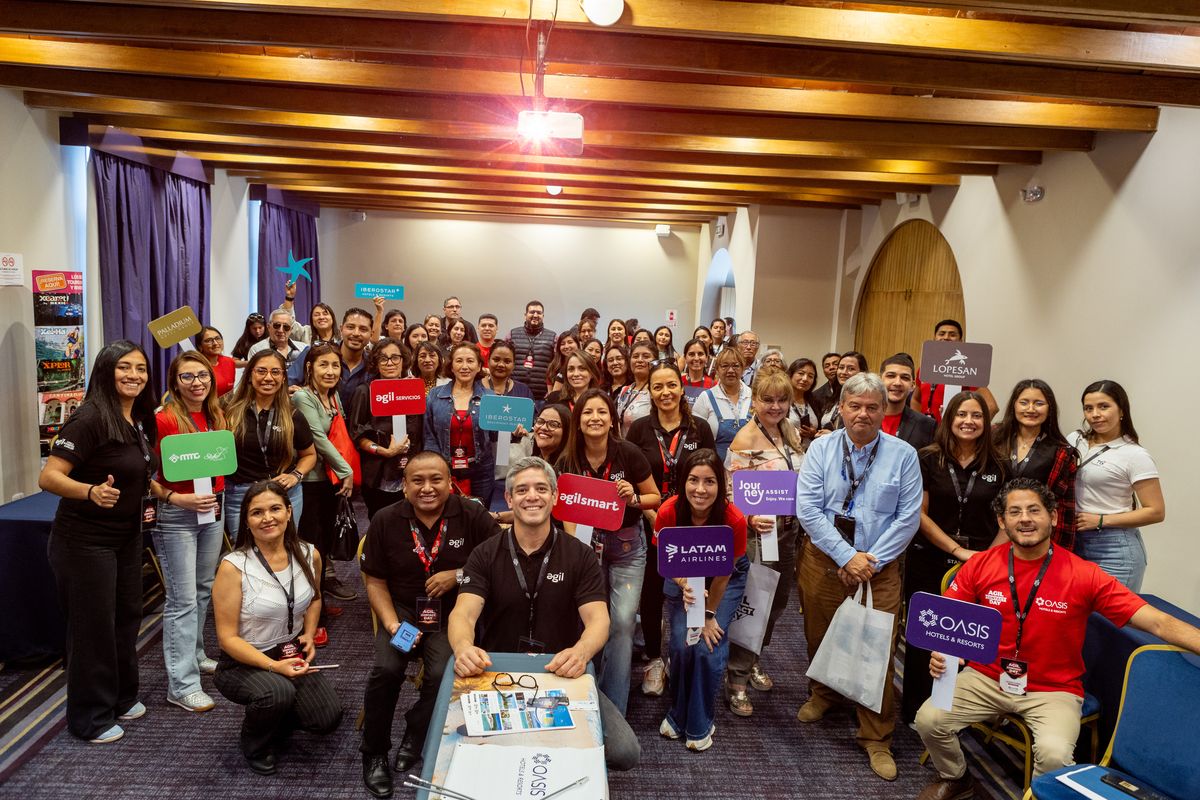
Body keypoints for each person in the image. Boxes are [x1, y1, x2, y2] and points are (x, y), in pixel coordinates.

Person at [913, 479, 1200, 800]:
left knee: (1054, 756)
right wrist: (943, 651)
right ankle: (956, 777)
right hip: (986, 676)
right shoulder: (981, 564)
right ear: (1002, 522)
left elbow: (1157, 622)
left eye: (1034, 510)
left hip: (1054, 688)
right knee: (928, 720)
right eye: (1015, 512)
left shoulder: (1083, 574)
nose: (1025, 519)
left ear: (1053, 517)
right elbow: (949, 618)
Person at [447, 456, 641, 771]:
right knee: (457, 749)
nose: (532, 496)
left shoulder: (580, 555)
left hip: (562, 672)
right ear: (509, 499)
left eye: (541, 488)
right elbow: (463, 614)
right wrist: (463, 647)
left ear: (555, 496)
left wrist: (581, 651)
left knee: (625, 751)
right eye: (521, 490)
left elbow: (598, 619)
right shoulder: (485, 553)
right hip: (499, 672)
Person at [795, 372, 922, 781]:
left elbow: (907, 518)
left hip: (879, 568)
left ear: (884, 411)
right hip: (825, 559)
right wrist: (847, 556)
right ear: (842, 409)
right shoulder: (821, 448)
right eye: (855, 406)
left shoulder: (903, 454)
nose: (863, 414)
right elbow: (809, 509)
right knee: (820, 631)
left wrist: (869, 562)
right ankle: (825, 693)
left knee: (876, 648)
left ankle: (876, 736)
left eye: (872, 407)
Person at [38, 341, 161, 743]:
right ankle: (89, 718)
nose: (134, 376)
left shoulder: (138, 418)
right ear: (106, 371)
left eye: (141, 368)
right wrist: (90, 491)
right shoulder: (88, 418)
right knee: (93, 628)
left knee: (126, 619)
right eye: (124, 367)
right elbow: (50, 477)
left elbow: (140, 476)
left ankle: (120, 698)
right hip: (84, 541)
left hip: (126, 538)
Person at [359, 451, 499, 797]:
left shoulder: (472, 514)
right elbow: (374, 580)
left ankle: (416, 730)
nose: (427, 488)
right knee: (386, 669)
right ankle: (374, 752)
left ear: (450, 482)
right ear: (404, 486)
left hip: (452, 614)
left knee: (442, 675)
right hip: (403, 613)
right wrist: (392, 625)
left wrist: (459, 574)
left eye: (436, 479)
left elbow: (498, 561)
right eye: (417, 481)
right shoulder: (385, 519)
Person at [211, 481, 342, 775]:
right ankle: (255, 742)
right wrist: (273, 666)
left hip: (289, 651)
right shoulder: (234, 566)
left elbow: (315, 599)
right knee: (276, 692)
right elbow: (227, 638)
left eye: (275, 509)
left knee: (327, 718)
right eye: (257, 512)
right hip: (242, 660)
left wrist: (308, 634)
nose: (267, 518)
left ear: (289, 511)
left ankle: (277, 714)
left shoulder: (310, 554)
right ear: (246, 520)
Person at [901, 390, 1006, 724]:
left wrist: (986, 559)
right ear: (949, 419)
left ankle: (953, 714)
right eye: (962, 415)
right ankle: (916, 711)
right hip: (931, 556)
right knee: (926, 634)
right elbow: (919, 513)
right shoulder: (927, 458)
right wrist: (957, 551)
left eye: (976, 416)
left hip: (983, 563)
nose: (969, 422)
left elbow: (1007, 518)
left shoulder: (1000, 465)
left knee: (966, 637)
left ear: (986, 422)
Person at [554, 389, 661, 714]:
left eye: (602, 412)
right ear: (578, 420)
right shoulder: (567, 458)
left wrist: (634, 499)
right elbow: (565, 509)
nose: (595, 418)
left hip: (628, 546)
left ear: (612, 418)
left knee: (623, 622)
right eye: (588, 413)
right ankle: (588, 695)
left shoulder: (628, 453)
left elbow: (655, 497)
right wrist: (576, 551)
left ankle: (613, 709)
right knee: (589, 620)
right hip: (585, 547)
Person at [627, 362, 716, 697]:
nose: (665, 393)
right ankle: (653, 658)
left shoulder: (700, 429)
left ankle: (685, 654)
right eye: (657, 387)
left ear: (681, 389)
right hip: (650, 522)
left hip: (691, 524)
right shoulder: (639, 429)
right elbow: (631, 477)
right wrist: (655, 518)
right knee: (650, 594)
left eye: (671, 386)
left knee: (690, 592)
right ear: (649, 391)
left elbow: (710, 476)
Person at [655, 449, 749, 752]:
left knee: (707, 647)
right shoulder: (668, 511)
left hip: (725, 579)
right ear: (683, 482)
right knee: (684, 643)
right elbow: (665, 559)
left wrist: (708, 615)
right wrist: (685, 585)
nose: (700, 489)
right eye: (693, 480)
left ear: (720, 486)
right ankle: (678, 713)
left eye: (709, 481)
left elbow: (724, 574)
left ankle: (699, 722)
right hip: (682, 575)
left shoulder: (733, 519)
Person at [152, 351, 229, 713]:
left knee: (202, 591)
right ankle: (181, 685)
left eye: (202, 375)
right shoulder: (164, 420)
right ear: (175, 382)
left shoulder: (216, 415)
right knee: (181, 600)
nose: (197, 382)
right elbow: (147, 477)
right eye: (187, 376)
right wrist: (176, 500)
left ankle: (196, 655)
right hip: (176, 515)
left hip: (212, 510)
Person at [723, 369, 804, 717]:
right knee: (755, 605)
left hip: (788, 535)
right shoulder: (745, 439)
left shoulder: (790, 431)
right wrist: (750, 517)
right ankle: (736, 680)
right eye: (768, 399)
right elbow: (730, 494)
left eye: (782, 399)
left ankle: (754, 657)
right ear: (754, 400)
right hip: (758, 536)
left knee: (779, 603)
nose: (775, 406)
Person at [1067, 380, 1164, 592]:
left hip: (1114, 550)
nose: (1095, 414)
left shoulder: (1134, 455)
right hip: (1073, 542)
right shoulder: (1074, 440)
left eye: (1104, 406)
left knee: (1109, 622)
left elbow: (1156, 511)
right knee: (1077, 620)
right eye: (1088, 408)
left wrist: (1102, 520)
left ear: (1121, 410)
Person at [221, 349, 317, 562]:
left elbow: (309, 454)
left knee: (285, 552)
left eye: (275, 372)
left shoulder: (292, 414)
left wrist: (296, 475)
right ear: (250, 375)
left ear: (283, 377)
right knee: (248, 558)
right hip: (241, 494)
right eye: (261, 371)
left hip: (283, 493)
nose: (268, 377)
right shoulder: (227, 409)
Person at [292, 343, 358, 627]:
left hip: (330, 479)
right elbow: (318, 438)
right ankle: (308, 616)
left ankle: (316, 600)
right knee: (310, 546)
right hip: (310, 483)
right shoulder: (303, 398)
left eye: (335, 366)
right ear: (310, 368)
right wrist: (347, 470)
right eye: (323, 365)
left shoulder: (333, 397)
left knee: (323, 546)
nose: (330, 371)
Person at [993, 378, 1078, 548]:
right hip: (989, 527)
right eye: (1024, 402)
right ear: (1014, 406)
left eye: (1039, 403)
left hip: (1031, 535)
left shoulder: (1061, 452)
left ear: (1049, 409)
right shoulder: (993, 438)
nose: (1031, 409)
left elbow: (1061, 508)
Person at [350, 337, 421, 519]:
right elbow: (357, 434)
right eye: (383, 358)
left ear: (403, 360)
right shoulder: (365, 391)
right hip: (377, 474)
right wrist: (384, 451)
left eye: (395, 357)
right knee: (380, 522)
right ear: (376, 362)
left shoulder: (413, 389)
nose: (390, 363)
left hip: (409, 471)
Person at [423, 342, 495, 503]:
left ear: (478, 367)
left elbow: (496, 434)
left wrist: (513, 432)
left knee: (480, 517)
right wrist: (435, 466)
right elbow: (429, 436)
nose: (464, 366)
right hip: (444, 468)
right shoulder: (435, 395)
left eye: (470, 361)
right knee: (447, 513)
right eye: (459, 361)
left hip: (481, 470)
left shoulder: (490, 398)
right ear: (452, 366)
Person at [912, 318, 998, 422]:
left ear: (960, 341)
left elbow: (992, 407)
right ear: (934, 338)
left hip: (950, 434)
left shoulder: (966, 369)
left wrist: (972, 428)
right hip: (925, 432)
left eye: (952, 334)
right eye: (942, 334)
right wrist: (916, 424)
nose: (946, 337)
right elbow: (916, 400)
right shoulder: (925, 367)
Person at [692, 348, 752, 463]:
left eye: (736, 366)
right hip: (715, 467)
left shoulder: (753, 396)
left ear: (743, 369)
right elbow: (696, 437)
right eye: (724, 366)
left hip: (749, 469)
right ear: (717, 370)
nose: (730, 370)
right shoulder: (706, 397)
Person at [879, 353, 935, 450]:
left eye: (904, 378)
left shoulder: (927, 426)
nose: (897, 383)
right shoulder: (862, 417)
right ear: (879, 380)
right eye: (891, 376)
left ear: (913, 385)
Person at [509, 300, 557, 403]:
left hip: (542, 397)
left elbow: (557, 366)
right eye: (532, 312)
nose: (535, 315)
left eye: (539, 313)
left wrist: (552, 391)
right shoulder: (512, 334)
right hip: (515, 394)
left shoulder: (553, 337)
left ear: (543, 315)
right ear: (525, 314)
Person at [248, 309, 308, 385]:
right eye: (277, 325)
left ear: (291, 330)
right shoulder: (257, 350)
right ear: (269, 327)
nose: (281, 330)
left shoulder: (303, 349)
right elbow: (254, 379)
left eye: (286, 327)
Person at [336, 307, 374, 408]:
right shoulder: (318, 356)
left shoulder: (375, 366)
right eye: (350, 327)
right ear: (341, 329)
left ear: (371, 334)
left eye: (363, 329)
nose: (356, 333)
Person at [819, 350, 868, 430]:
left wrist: (833, 435)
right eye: (841, 367)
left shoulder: (866, 398)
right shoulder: (835, 396)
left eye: (851, 369)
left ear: (862, 372)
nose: (844, 372)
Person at [615, 340, 655, 436]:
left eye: (646, 356)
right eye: (635, 356)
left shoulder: (655, 392)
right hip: (623, 447)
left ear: (655, 361)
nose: (640, 360)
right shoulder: (625, 390)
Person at [281, 280, 338, 345]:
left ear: (332, 318)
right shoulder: (306, 333)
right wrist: (290, 296)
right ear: (311, 320)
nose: (321, 317)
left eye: (325, 314)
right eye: (316, 315)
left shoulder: (342, 337)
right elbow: (289, 323)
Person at [786, 357, 820, 447]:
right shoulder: (781, 400)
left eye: (810, 376)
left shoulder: (815, 401)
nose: (805, 379)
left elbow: (820, 431)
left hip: (810, 453)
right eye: (801, 373)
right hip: (788, 453)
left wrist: (814, 433)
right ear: (790, 375)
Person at [198, 325, 239, 396]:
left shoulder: (229, 362)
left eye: (217, 338)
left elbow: (230, 393)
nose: (215, 343)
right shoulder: (197, 366)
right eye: (208, 341)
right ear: (200, 346)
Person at [811, 351, 842, 420]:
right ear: (823, 371)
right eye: (827, 366)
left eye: (835, 364)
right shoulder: (816, 395)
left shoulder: (852, 390)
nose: (831, 367)